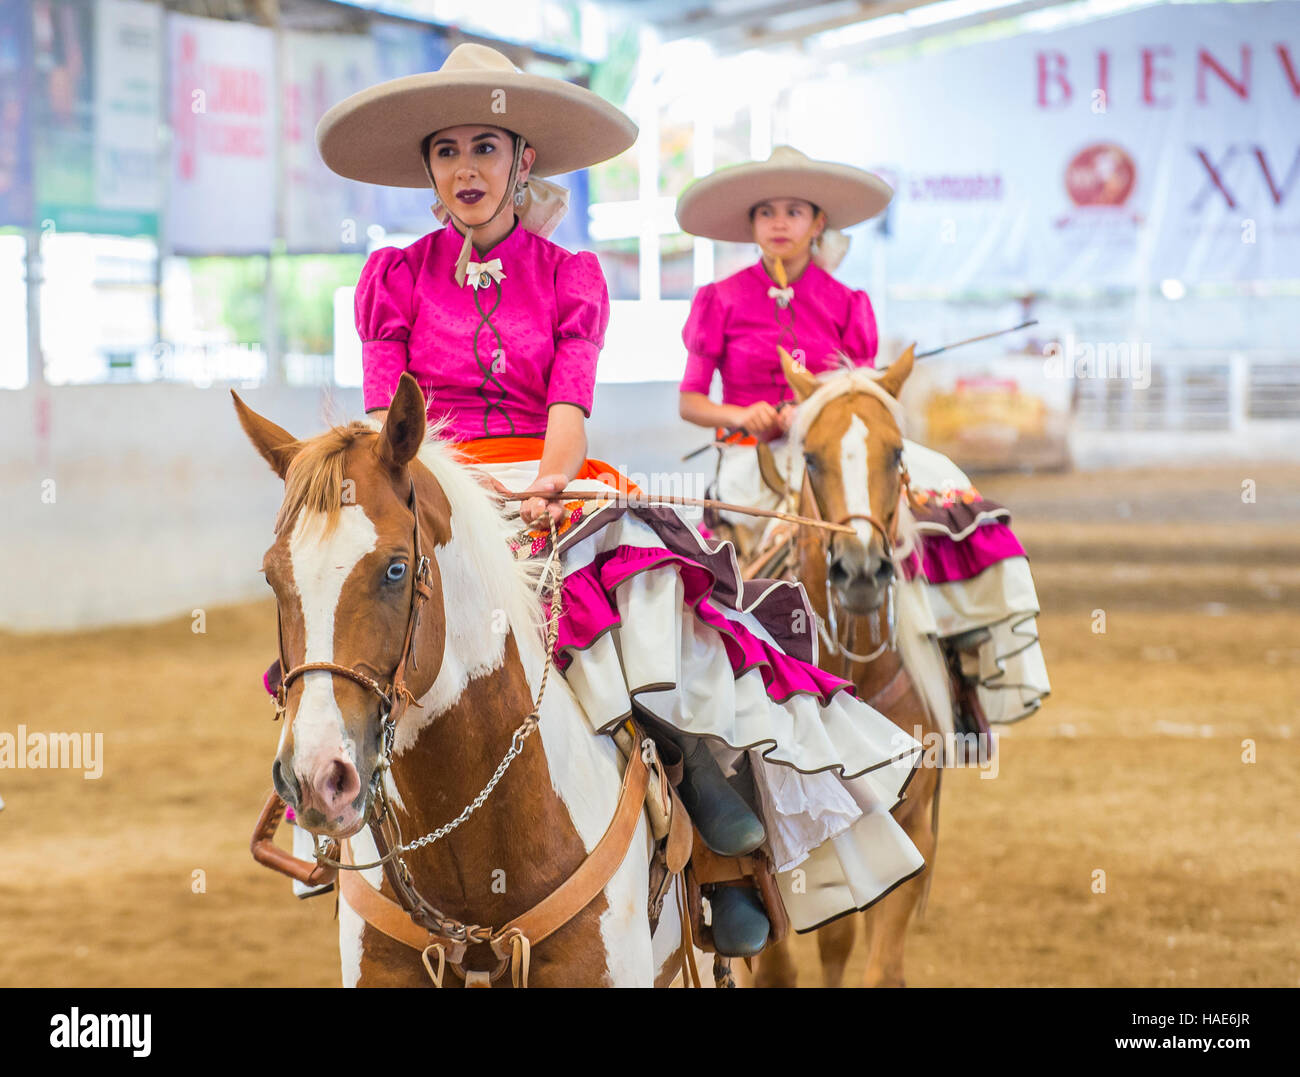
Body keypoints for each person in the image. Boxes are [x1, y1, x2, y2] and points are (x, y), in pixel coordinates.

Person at [313, 45, 928, 952]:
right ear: (429, 172)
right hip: (433, 490)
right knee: (338, 605)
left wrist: (540, 491)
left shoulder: (571, 278)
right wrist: (436, 500)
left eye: (487, 147)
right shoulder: (392, 279)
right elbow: (384, 426)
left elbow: (567, 419)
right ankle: (323, 794)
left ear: (524, 163)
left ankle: (696, 788)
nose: (467, 169)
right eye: (448, 152)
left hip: (545, 479)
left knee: (648, 586)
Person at [676, 146, 1050, 728]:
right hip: (755, 459)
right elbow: (690, 401)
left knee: (939, 506)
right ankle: (732, 704)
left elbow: (860, 395)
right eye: (767, 211)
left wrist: (816, 412)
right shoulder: (719, 300)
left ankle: (963, 674)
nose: (779, 222)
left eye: (794, 211)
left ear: (818, 223)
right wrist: (740, 412)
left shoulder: (847, 302)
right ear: (751, 224)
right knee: (735, 581)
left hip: (841, 450)